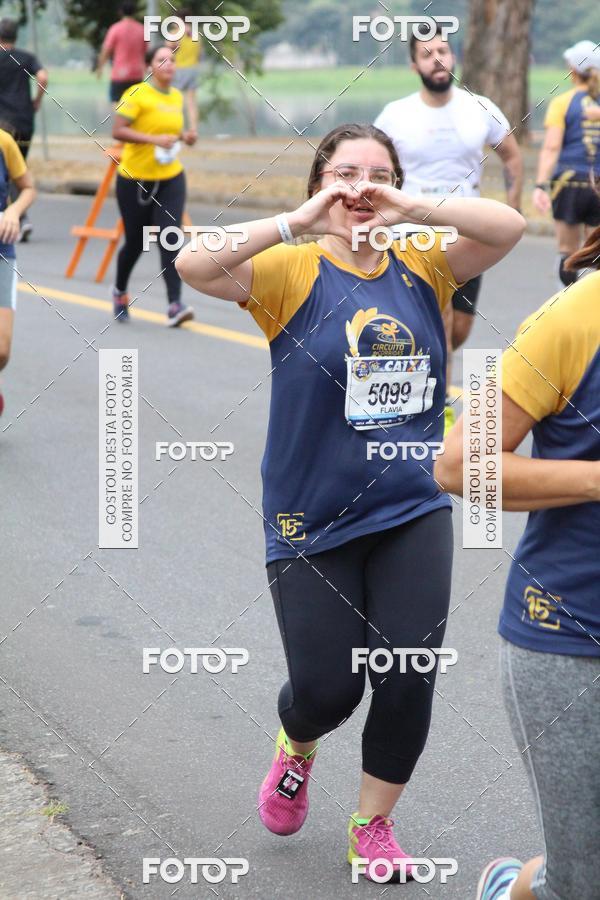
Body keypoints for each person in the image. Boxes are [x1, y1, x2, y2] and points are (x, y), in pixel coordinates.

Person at [176, 123, 525, 882]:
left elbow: (509, 227)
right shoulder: (290, 269)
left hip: (412, 502)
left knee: (407, 667)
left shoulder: (424, 263)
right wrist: (301, 221)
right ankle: (298, 741)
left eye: (377, 174)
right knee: (329, 689)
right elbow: (192, 261)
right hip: (311, 512)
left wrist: (412, 205)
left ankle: (373, 824)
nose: (360, 187)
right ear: (316, 186)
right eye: (343, 173)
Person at [435, 230, 600, 899]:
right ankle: (514, 889)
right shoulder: (577, 317)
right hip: (571, 640)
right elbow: (458, 463)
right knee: (583, 883)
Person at [374, 24, 523, 431]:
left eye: (443, 51)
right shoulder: (396, 114)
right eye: (427, 54)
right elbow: (376, 167)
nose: (436, 59)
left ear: (453, 57)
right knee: (436, 320)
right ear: (413, 64)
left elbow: (511, 155)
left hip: (468, 234)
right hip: (413, 236)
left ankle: (424, 384)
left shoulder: (481, 108)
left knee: (458, 329)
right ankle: (436, 408)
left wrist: (511, 211)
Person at [111, 45, 196, 326]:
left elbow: (169, 133)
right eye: (162, 60)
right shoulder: (136, 94)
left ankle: (175, 305)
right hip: (134, 180)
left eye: (172, 60)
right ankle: (120, 291)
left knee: (170, 237)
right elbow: (118, 130)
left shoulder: (176, 96)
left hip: (171, 177)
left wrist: (184, 137)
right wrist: (154, 140)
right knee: (135, 242)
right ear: (149, 67)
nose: (169, 65)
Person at [533, 40, 600, 287]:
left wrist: (540, 185)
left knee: (568, 252)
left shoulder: (562, 103)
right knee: (596, 254)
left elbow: (551, 147)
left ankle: (565, 303)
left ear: (572, 70)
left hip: (568, 182)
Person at [0, 17, 47, 242]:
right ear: (15, 36)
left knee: (7, 173)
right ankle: (19, 217)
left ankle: (19, 218)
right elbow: (43, 76)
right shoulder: (26, 57)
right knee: (19, 171)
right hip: (24, 123)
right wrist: (37, 100)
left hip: (3, 125)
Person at [0, 126, 36, 416]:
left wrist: (13, 212)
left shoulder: (4, 141)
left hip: (2, 250)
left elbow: (28, 187)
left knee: (1, 350)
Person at [96, 1, 148, 106]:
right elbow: (146, 53)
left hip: (119, 75)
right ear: (134, 12)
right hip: (136, 75)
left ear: (120, 12)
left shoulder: (115, 29)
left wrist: (100, 68)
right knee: (135, 106)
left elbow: (106, 50)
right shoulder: (142, 30)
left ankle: (121, 122)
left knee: (118, 106)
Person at [167, 8, 201, 136]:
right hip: (193, 69)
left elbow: (168, 47)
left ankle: (177, 129)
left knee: (176, 99)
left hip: (179, 69)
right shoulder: (195, 33)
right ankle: (193, 130)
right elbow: (198, 53)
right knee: (191, 102)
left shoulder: (175, 32)